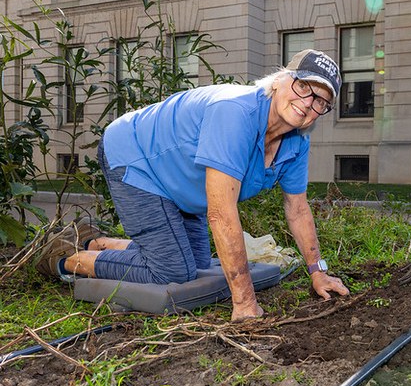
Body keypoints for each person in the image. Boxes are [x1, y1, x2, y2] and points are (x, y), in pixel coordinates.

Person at [36, 49, 350, 321]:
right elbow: (221, 214)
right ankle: (62, 260)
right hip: (137, 158)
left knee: (197, 262)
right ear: (281, 79)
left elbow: (297, 208)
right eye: (304, 87)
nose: (308, 103)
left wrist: (317, 270)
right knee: (172, 271)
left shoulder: (296, 143)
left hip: (181, 185)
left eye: (322, 101)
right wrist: (244, 302)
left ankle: (93, 241)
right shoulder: (236, 112)